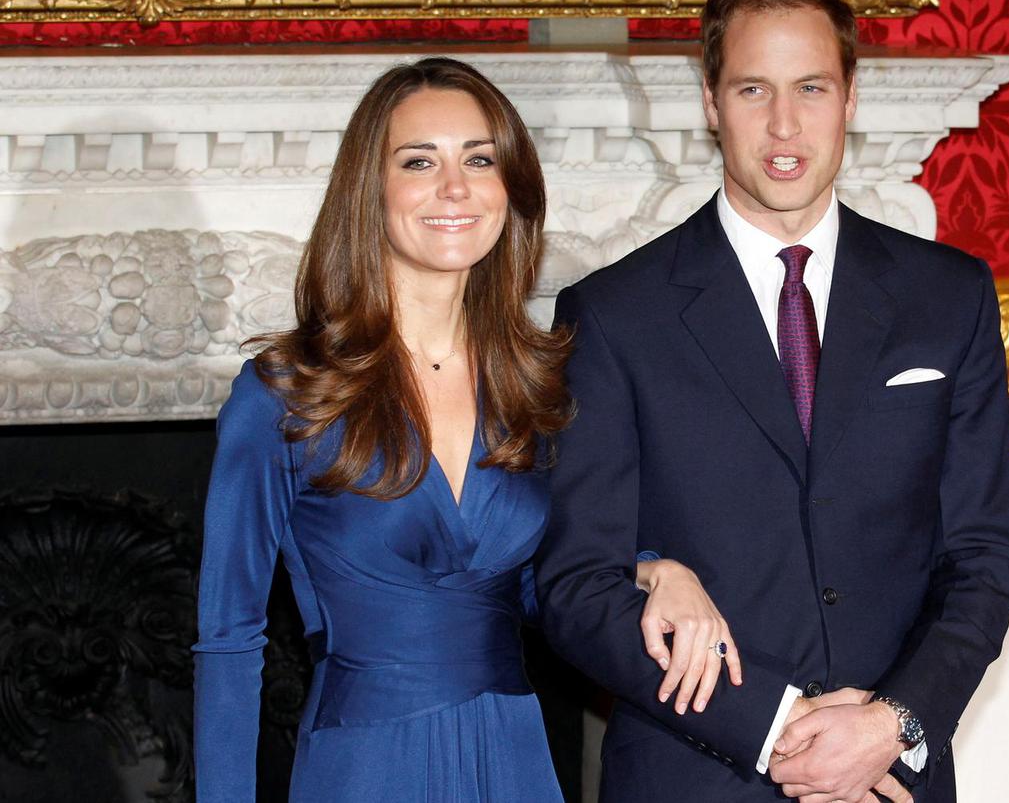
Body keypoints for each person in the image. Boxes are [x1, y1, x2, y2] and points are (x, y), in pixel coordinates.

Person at [535, 0, 1009, 803]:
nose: (783, 124)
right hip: (691, 776)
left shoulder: (949, 296)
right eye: (751, 89)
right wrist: (777, 726)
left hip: (892, 779)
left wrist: (892, 723)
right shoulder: (615, 315)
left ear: (849, 98)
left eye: (811, 87)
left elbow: (989, 552)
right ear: (710, 102)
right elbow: (578, 587)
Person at [191, 57, 738, 803]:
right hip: (363, 767)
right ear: (370, 190)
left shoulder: (535, 385)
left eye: (479, 160)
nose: (455, 187)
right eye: (420, 161)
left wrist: (650, 568)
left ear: (507, 189)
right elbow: (229, 639)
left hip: (512, 757)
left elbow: (537, 588)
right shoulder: (284, 395)